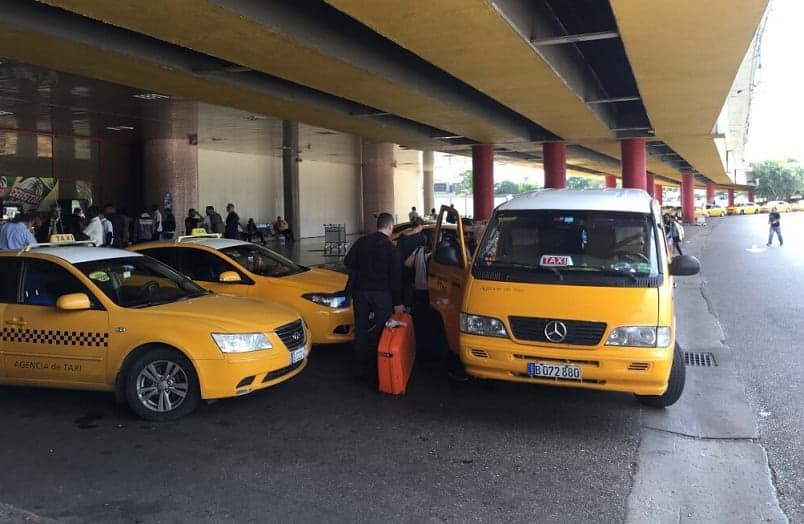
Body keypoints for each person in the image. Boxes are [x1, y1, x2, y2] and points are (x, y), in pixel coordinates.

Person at [344, 212, 404, 385]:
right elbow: (395, 278)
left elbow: (348, 262)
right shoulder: (391, 249)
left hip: (360, 293)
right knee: (381, 330)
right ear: (391, 227)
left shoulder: (362, 242)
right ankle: (379, 369)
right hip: (382, 295)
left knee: (361, 329)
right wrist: (398, 302)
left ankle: (360, 369)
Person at [397, 217, 426, 308]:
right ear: (420, 226)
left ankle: (406, 309)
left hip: (402, 269)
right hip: (416, 269)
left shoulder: (402, 237)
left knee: (405, 290)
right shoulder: (422, 238)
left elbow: (398, 253)